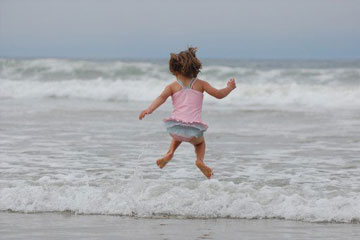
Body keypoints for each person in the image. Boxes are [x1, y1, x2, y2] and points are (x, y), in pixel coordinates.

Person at [139, 47, 236, 178]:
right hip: (193, 129)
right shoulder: (201, 84)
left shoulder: (172, 86)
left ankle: (169, 153)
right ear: (195, 69)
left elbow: (161, 98)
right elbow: (219, 95)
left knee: (178, 132)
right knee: (200, 143)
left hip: (175, 128)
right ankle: (200, 160)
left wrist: (148, 110)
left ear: (174, 70)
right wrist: (229, 88)